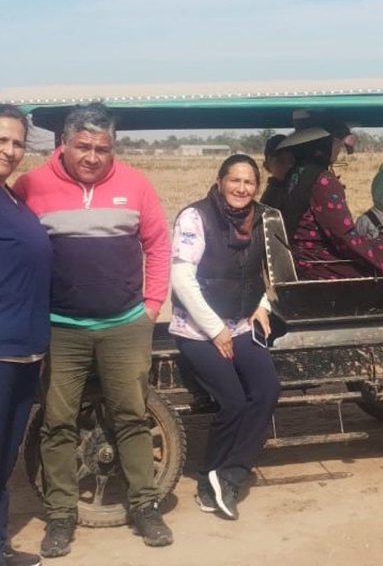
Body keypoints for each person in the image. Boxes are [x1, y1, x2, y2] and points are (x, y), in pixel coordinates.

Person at [13, 103, 173, 555]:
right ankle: (61, 514)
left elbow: (158, 244)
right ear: (64, 143)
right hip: (60, 328)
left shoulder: (135, 184)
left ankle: (144, 505)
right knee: (58, 423)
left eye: (103, 148)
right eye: (83, 146)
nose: (92, 156)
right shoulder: (32, 185)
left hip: (125, 324)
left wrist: (152, 305)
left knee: (131, 415)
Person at [169, 154, 281, 521]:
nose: (242, 188)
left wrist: (262, 303)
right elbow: (183, 279)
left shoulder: (263, 217)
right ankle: (209, 478)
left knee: (266, 390)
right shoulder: (194, 217)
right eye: (235, 180)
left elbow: (270, 270)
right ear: (219, 181)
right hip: (198, 329)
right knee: (232, 401)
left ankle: (228, 475)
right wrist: (214, 328)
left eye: (249, 182)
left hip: (241, 323)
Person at [271, 123, 383, 332]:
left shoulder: (295, 176)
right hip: (325, 263)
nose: (338, 151)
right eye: (337, 146)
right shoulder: (321, 180)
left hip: (309, 259)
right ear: (321, 146)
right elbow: (344, 235)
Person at [0, 105, 49, 566]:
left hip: (25, 350)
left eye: (17, 142)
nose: (11, 151)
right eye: (2, 141)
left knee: (4, 455)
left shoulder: (12, 198)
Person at [259, 133, 292, 208]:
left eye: (291, 160)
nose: (288, 166)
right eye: (280, 161)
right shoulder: (271, 197)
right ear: (267, 165)